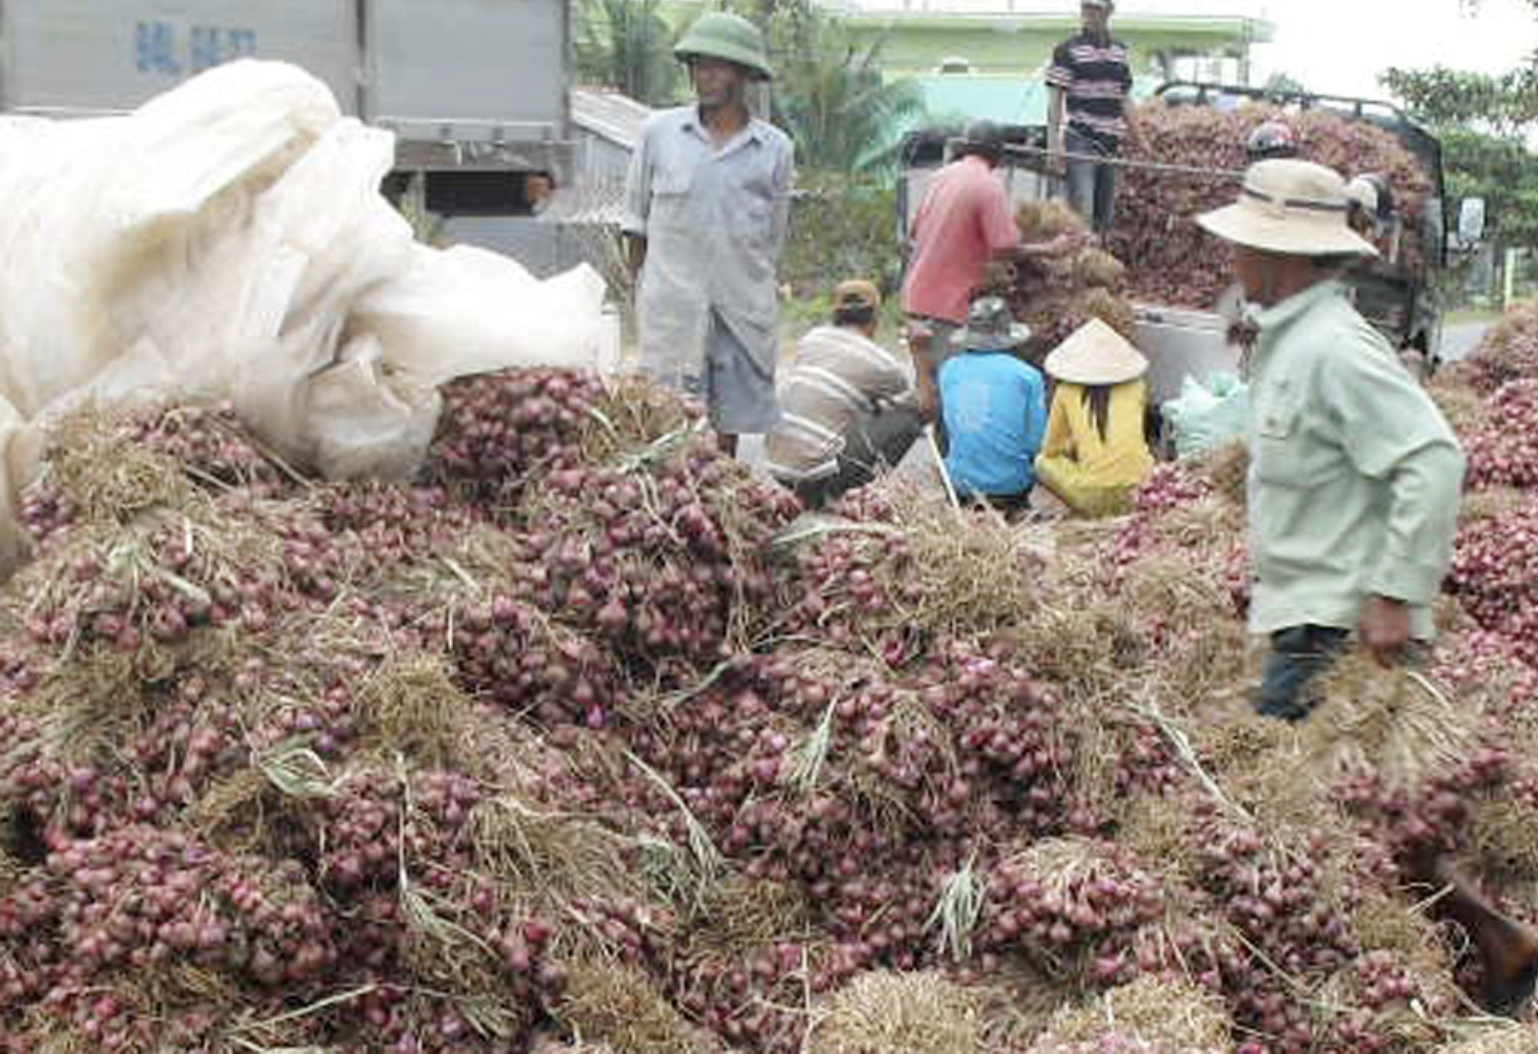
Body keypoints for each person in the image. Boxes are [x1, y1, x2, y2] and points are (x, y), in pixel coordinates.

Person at [1198, 158, 1538, 1014]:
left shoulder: (1333, 348)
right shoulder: (1290, 336)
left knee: (1284, 823)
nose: (1232, 259)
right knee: (1356, 824)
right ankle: (1497, 942)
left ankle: (1340, 993)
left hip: (1337, 631)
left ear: (1282, 257)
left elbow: (1433, 456)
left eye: (1244, 246)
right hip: (1305, 617)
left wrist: (1395, 592)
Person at [622, 11, 794, 456]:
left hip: (740, 308)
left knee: (729, 425)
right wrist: (640, 292)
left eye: (717, 66)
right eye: (699, 65)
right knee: (664, 421)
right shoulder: (659, 133)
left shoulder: (774, 149)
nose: (705, 76)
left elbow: (772, 235)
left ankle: (720, 503)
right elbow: (636, 223)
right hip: (672, 308)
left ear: (744, 75)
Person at [901, 119, 1023, 421]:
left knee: (929, 392)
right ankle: (949, 462)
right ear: (996, 154)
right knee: (955, 397)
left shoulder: (941, 176)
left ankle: (939, 460)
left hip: (916, 301)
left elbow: (914, 231)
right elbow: (1005, 246)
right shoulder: (988, 185)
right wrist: (1049, 249)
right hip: (948, 309)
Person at [764, 280, 925, 509]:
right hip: (814, 474)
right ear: (875, 316)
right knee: (907, 420)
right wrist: (921, 352)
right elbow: (921, 404)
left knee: (839, 405)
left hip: (778, 467)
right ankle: (846, 496)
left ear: (835, 313)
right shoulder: (882, 364)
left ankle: (809, 495)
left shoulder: (812, 338)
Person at [1034, 318, 1154, 517]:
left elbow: (1050, 448)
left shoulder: (1067, 390)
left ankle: (1084, 510)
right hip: (1140, 490)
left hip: (1092, 496)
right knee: (1143, 457)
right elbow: (1129, 433)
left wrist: (1075, 443)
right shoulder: (1136, 386)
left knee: (1042, 461)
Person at [937, 297, 1047, 513]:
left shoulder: (948, 369)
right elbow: (1036, 444)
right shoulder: (1027, 376)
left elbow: (949, 429)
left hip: (959, 485)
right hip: (1011, 487)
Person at [1046, 0, 1133, 236]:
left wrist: (1140, 138)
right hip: (1081, 140)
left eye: (1094, 8)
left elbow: (1123, 97)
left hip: (1110, 143)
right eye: (1085, 7)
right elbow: (1055, 99)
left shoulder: (1119, 51)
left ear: (1109, 11)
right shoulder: (1067, 50)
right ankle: (1078, 267)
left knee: (1104, 217)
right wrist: (1053, 144)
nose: (1088, 13)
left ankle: (1097, 266)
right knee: (1081, 216)